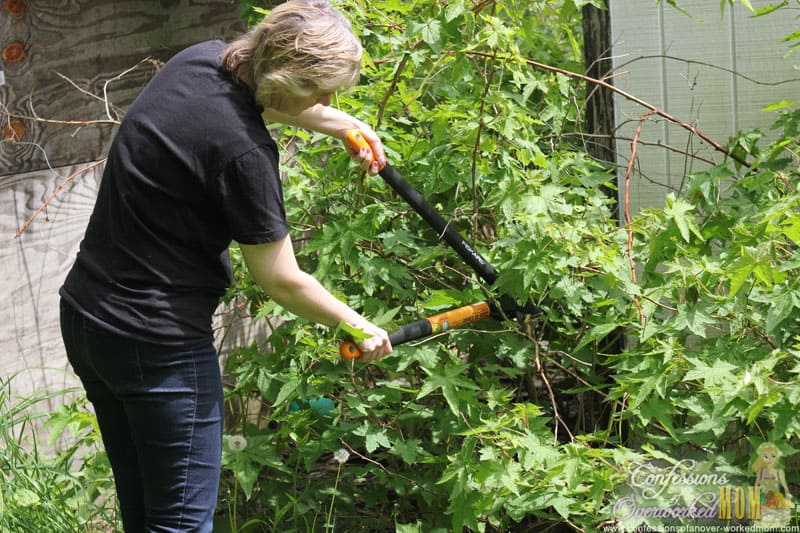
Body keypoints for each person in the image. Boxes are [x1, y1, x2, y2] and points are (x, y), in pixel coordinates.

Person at [59, 1, 391, 530]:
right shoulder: (246, 155)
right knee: (182, 526)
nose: (326, 101)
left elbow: (265, 99)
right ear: (284, 75)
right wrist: (356, 324)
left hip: (87, 318)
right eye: (320, 90)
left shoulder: (200, 61)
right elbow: (281, 280)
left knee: (146, 517)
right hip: (157, 346)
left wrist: (341, 124)